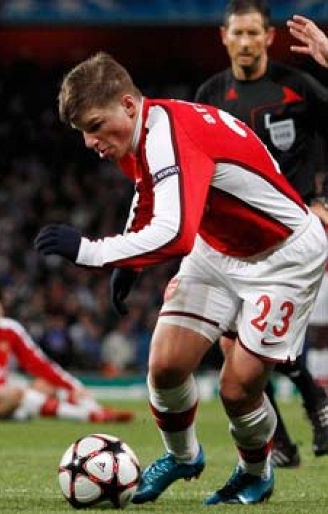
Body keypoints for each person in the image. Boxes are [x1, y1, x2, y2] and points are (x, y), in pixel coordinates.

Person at [35, 52, 328, 504]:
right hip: (218, 248)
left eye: (95, 125)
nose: (91, 141)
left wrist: (92, 252)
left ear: (128, 105)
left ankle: (255, 472)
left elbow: (174, 234)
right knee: (167, 365)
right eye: (83, 133)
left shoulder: (171, 134)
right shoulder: (142, 133)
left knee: (238, 388)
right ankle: (183, 456)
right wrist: (127, 261)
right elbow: (148, 192)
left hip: (282, 257)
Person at [194, 0, 328, 468]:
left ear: (269, 37)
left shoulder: (299, 88)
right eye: (239, 34)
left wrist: (324, 199)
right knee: (231, 346)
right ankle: (285, 440)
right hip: (237, 237)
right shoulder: (209, 96)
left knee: (257, 335)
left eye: (255, 34)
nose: (247, 42)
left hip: (295, 233)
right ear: (224, 37)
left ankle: (315, 406)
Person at [0, 292, 134, 424]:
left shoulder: (10, 329)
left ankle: (95, 407)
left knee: (46, 385)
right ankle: (89, 415)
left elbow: (39, 364)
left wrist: (75, 387)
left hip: (6, 394)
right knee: (18, 394)